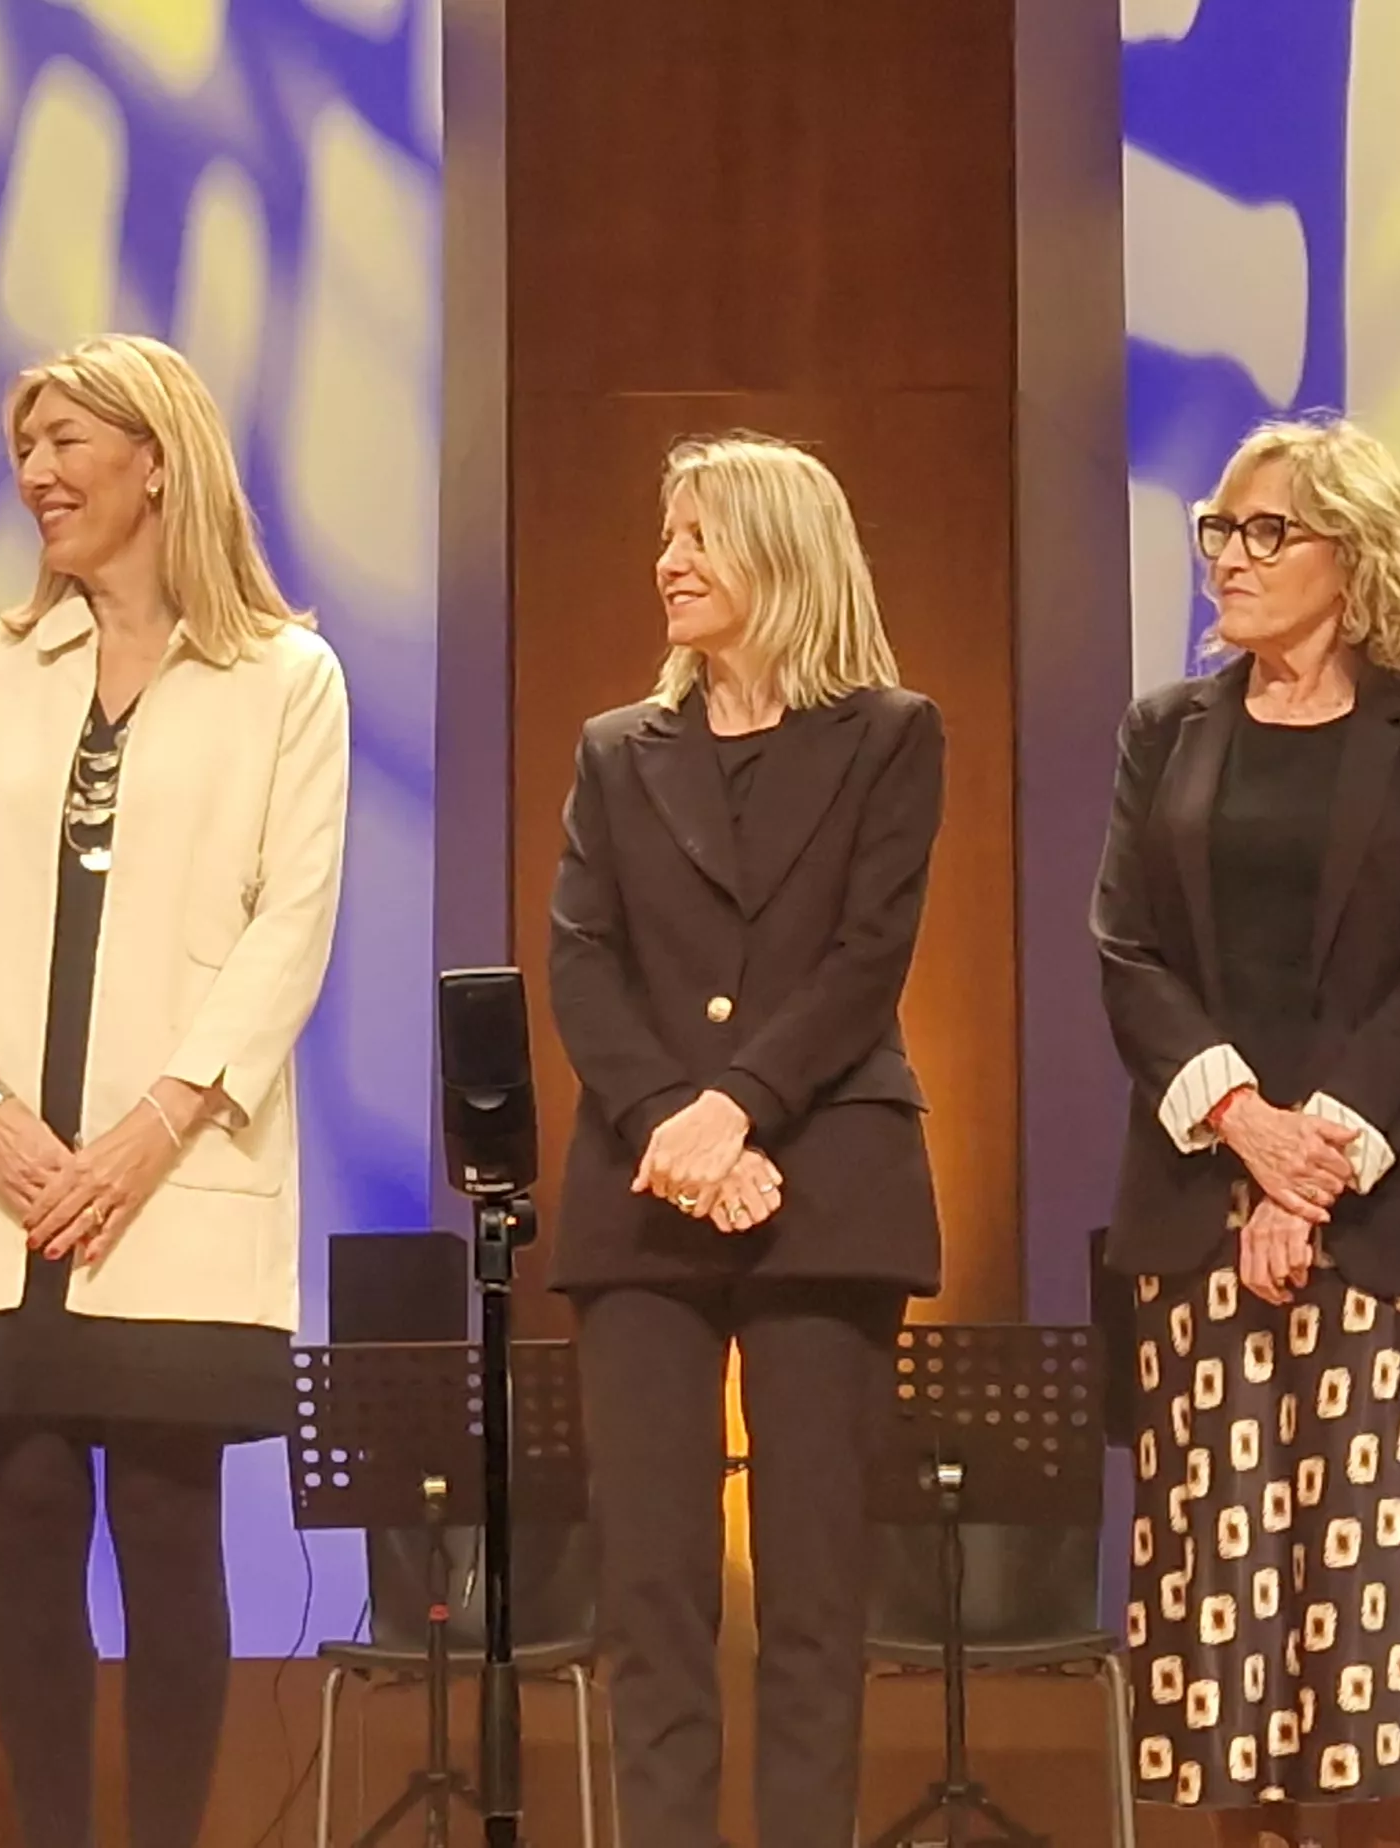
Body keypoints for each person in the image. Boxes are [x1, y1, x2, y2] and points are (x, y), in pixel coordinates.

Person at [0, 332, 348, 1848]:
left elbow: (294, 924)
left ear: (158, 458)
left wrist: (152, 1128)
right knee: (20, 1523)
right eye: (27, 447)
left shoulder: (285, 677)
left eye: (68, 442)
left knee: (163, 1519)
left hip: (173, 1182)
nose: (37, 474)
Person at [1089, 414, 1400, 1827]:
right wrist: (1244, 1134)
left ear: (1356, 557)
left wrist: (1308, 1169)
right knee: (1218, 1588)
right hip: (1199, 1205)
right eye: (1221, 530)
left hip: (1377, 1214)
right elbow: (1127, 952)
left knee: (1369, 1602)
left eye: (1268, 532)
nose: (1233, 557)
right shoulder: (1169, 730)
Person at [547, 433, 943, 1848]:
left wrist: (737, 1109)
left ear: (781, 553)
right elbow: (581, 965)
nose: (669, 562)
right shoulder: (615, 749)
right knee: (650, 1591)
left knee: (814, 1593)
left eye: (701, 537)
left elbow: (864, 957)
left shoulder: (893, 734)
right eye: (667, 535)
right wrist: (672, 1118)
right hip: (643, 1189)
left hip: (826, 1180)